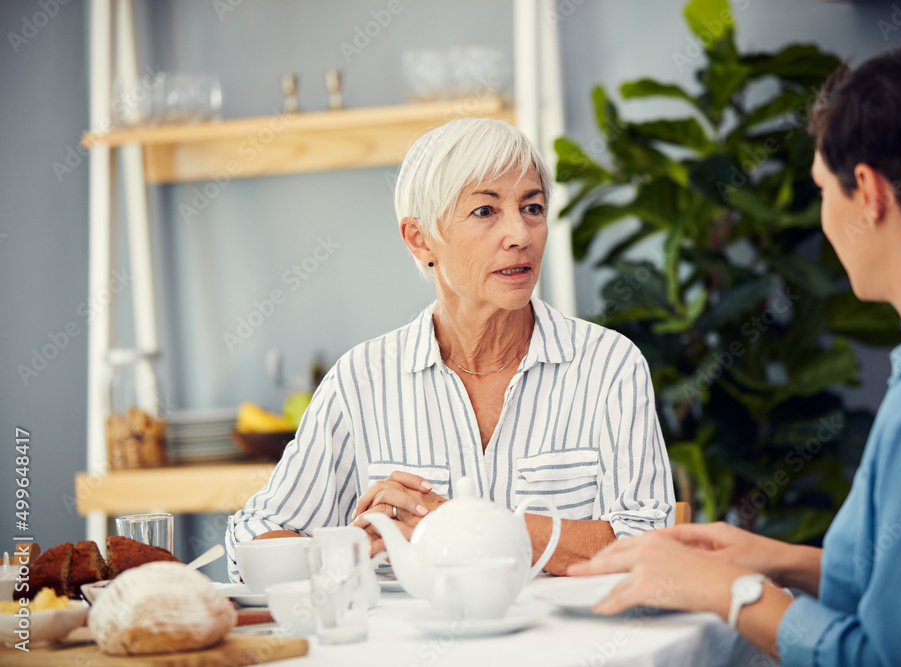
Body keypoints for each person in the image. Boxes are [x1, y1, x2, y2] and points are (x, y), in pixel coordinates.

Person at [569, 37, 901, 667]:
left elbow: (891, 660)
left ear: (868, 192)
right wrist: (779, 561)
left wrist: (729, 592)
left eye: (823, 190)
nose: (825, 217)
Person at [226, 117, 676, 580]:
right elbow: (251, 542)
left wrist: (466, 526)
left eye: (533, 208)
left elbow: (648, 545)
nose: (520, 234)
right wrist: (347, 551)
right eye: (485, 211)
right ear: (420, 239)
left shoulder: (610, 365)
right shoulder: (361, 379)